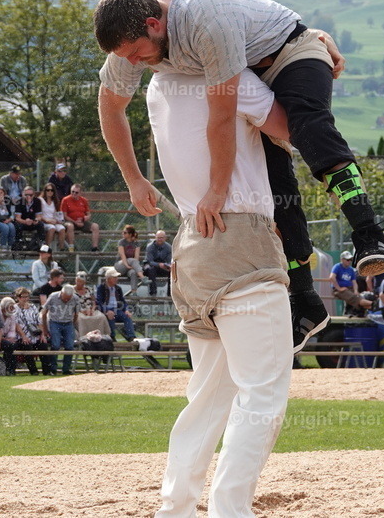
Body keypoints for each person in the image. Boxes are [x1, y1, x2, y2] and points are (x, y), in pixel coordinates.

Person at [95, 0, 384, 348]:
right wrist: (134, 179)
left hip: (289, 56)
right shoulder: (130, 42)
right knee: (272, 181)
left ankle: (369, 235)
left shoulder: (206, 20)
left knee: (309, 129)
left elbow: (222, 117)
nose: (133, 64)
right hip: (248, 69)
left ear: (153, 24)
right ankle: (305, 300)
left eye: (136, 53)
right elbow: (110, 107)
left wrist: (216, 190)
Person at [144, 68, 294, 517]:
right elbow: (292, 126)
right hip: (241, 243)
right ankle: (230, 511)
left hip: (192, 246)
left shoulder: (157, 85)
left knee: (207, 398)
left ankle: (175, 509)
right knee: (262, 394)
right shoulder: (231, 78)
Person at [40, 282, 80, 375]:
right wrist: (45, 329)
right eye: (65, 298)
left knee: (70, 346)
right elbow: (44, 313)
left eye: (68, 298)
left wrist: (73, 324)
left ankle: (66, 369)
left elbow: (76, 314)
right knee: (55, 345)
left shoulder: (75, 298)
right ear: (61, 293)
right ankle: (53, 368)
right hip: (55, 322)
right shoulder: (53, 296)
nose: (66, 300)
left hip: (68, 323)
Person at [96, 268, 136, 341]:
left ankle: (131, 337)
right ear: (108, 278)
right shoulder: (101, 288)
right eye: (114, 277)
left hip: (117, 310)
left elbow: (123, 301)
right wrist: (107, 311)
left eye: (116, 277)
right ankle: (112, 337)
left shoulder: (118, 288)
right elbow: (99, 302)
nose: (116, 279)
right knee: (110, 317)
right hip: (106, 310)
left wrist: (126, 310)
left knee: (127, 317)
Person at [14, 287, 47, 375]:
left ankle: (47, 371)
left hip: (34, 335)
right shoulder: (15, 308)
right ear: (18, 298)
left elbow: (39, 322)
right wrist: (23, 336)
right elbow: (16, 324)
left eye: (27, 297)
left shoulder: (33, 307)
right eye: (23, 297)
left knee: (43, 345)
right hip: (22, 335)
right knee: (27, 346)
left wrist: (42, 335)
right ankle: (34, 371)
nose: (25, 299)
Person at [60, 183, 100, 252]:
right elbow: (64, 216)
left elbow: (89, 214)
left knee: (95, 226)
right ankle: (71, 248)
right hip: (70, 221)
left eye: (76, 192)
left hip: (82, 222)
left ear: (80, 193)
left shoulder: (84, 200)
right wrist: (75, 222)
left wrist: (84, 218)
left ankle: (95, 248)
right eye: (72, 191)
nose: (74, 194)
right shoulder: (65, 200)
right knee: (70, 226)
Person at [330, 250, 370, 318]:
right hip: (339, 290)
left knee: (358, 295)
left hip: (349, 289)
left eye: (350, 260)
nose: (349, 261)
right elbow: (332, 277)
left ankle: (366, 308)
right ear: (342, 260)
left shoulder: (351, 269)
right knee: (354, 297)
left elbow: (354, 282)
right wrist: (339, 288)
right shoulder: (337, 267)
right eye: (347, 260)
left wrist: (356, 290)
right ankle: (374, 304)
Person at [37, 184, 69, 251]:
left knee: (62, 229)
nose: (50, 192)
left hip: (53, 221)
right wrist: (47, 220)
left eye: (52, 190)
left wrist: (58, 220)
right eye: (48, 190)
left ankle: (61, 249)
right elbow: (38, 215)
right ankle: (46, 249)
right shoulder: (40, 200)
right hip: (44, 221)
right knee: (52, 228)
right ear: (45, 191)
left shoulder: (54, 201)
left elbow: (56, 214)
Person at [0, 296, 26, 375]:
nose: (13, 309)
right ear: (5, 307)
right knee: (9, 345)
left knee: (14, 345)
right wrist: (4, 339)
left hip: (7, 339)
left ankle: (11, 370)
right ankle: (8, 369)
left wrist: (10, 338)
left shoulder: (12, 315)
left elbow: (12, 330)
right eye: (11, 307)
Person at [115, 224, 145, 289]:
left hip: (131, 266)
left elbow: (136, 256)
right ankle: (142, 277)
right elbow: (122, 255)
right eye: (123, 232)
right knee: (132, 260)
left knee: (133, 273)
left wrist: (133, 267)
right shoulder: (121, 242)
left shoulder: (136, 243)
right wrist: (127, 265)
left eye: (125, 232)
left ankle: (134, 292)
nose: (123, 233)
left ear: (130, 234)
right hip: (121, 265)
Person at [144, 230, 172, 296]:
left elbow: (169, 260)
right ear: (155, 237)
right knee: (151, 269)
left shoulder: (168, 247)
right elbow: (150, 261)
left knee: (172, 271)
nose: (160, 239)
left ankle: (170, 293)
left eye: (161, 238)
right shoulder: (150, 246)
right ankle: (153, 293)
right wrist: (159, 265)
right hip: (151, 266)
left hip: (163, 266)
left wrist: (167, 266)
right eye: (158, 237)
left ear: (165, 238)